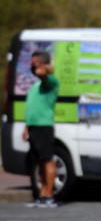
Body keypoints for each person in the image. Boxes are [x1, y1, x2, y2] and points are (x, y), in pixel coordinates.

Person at [23, 51, 60, 208]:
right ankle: (42, 194)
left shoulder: (51, 82)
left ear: (43, 64)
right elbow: (32, 108)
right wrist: (26, 127)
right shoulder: (35, 85)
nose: (32, 67)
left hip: (44, 126)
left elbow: (46, 76)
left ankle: (49, 196)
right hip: (33, 126)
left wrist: (45, 71)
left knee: (47, 159)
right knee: (39, 161)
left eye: (35, 63)